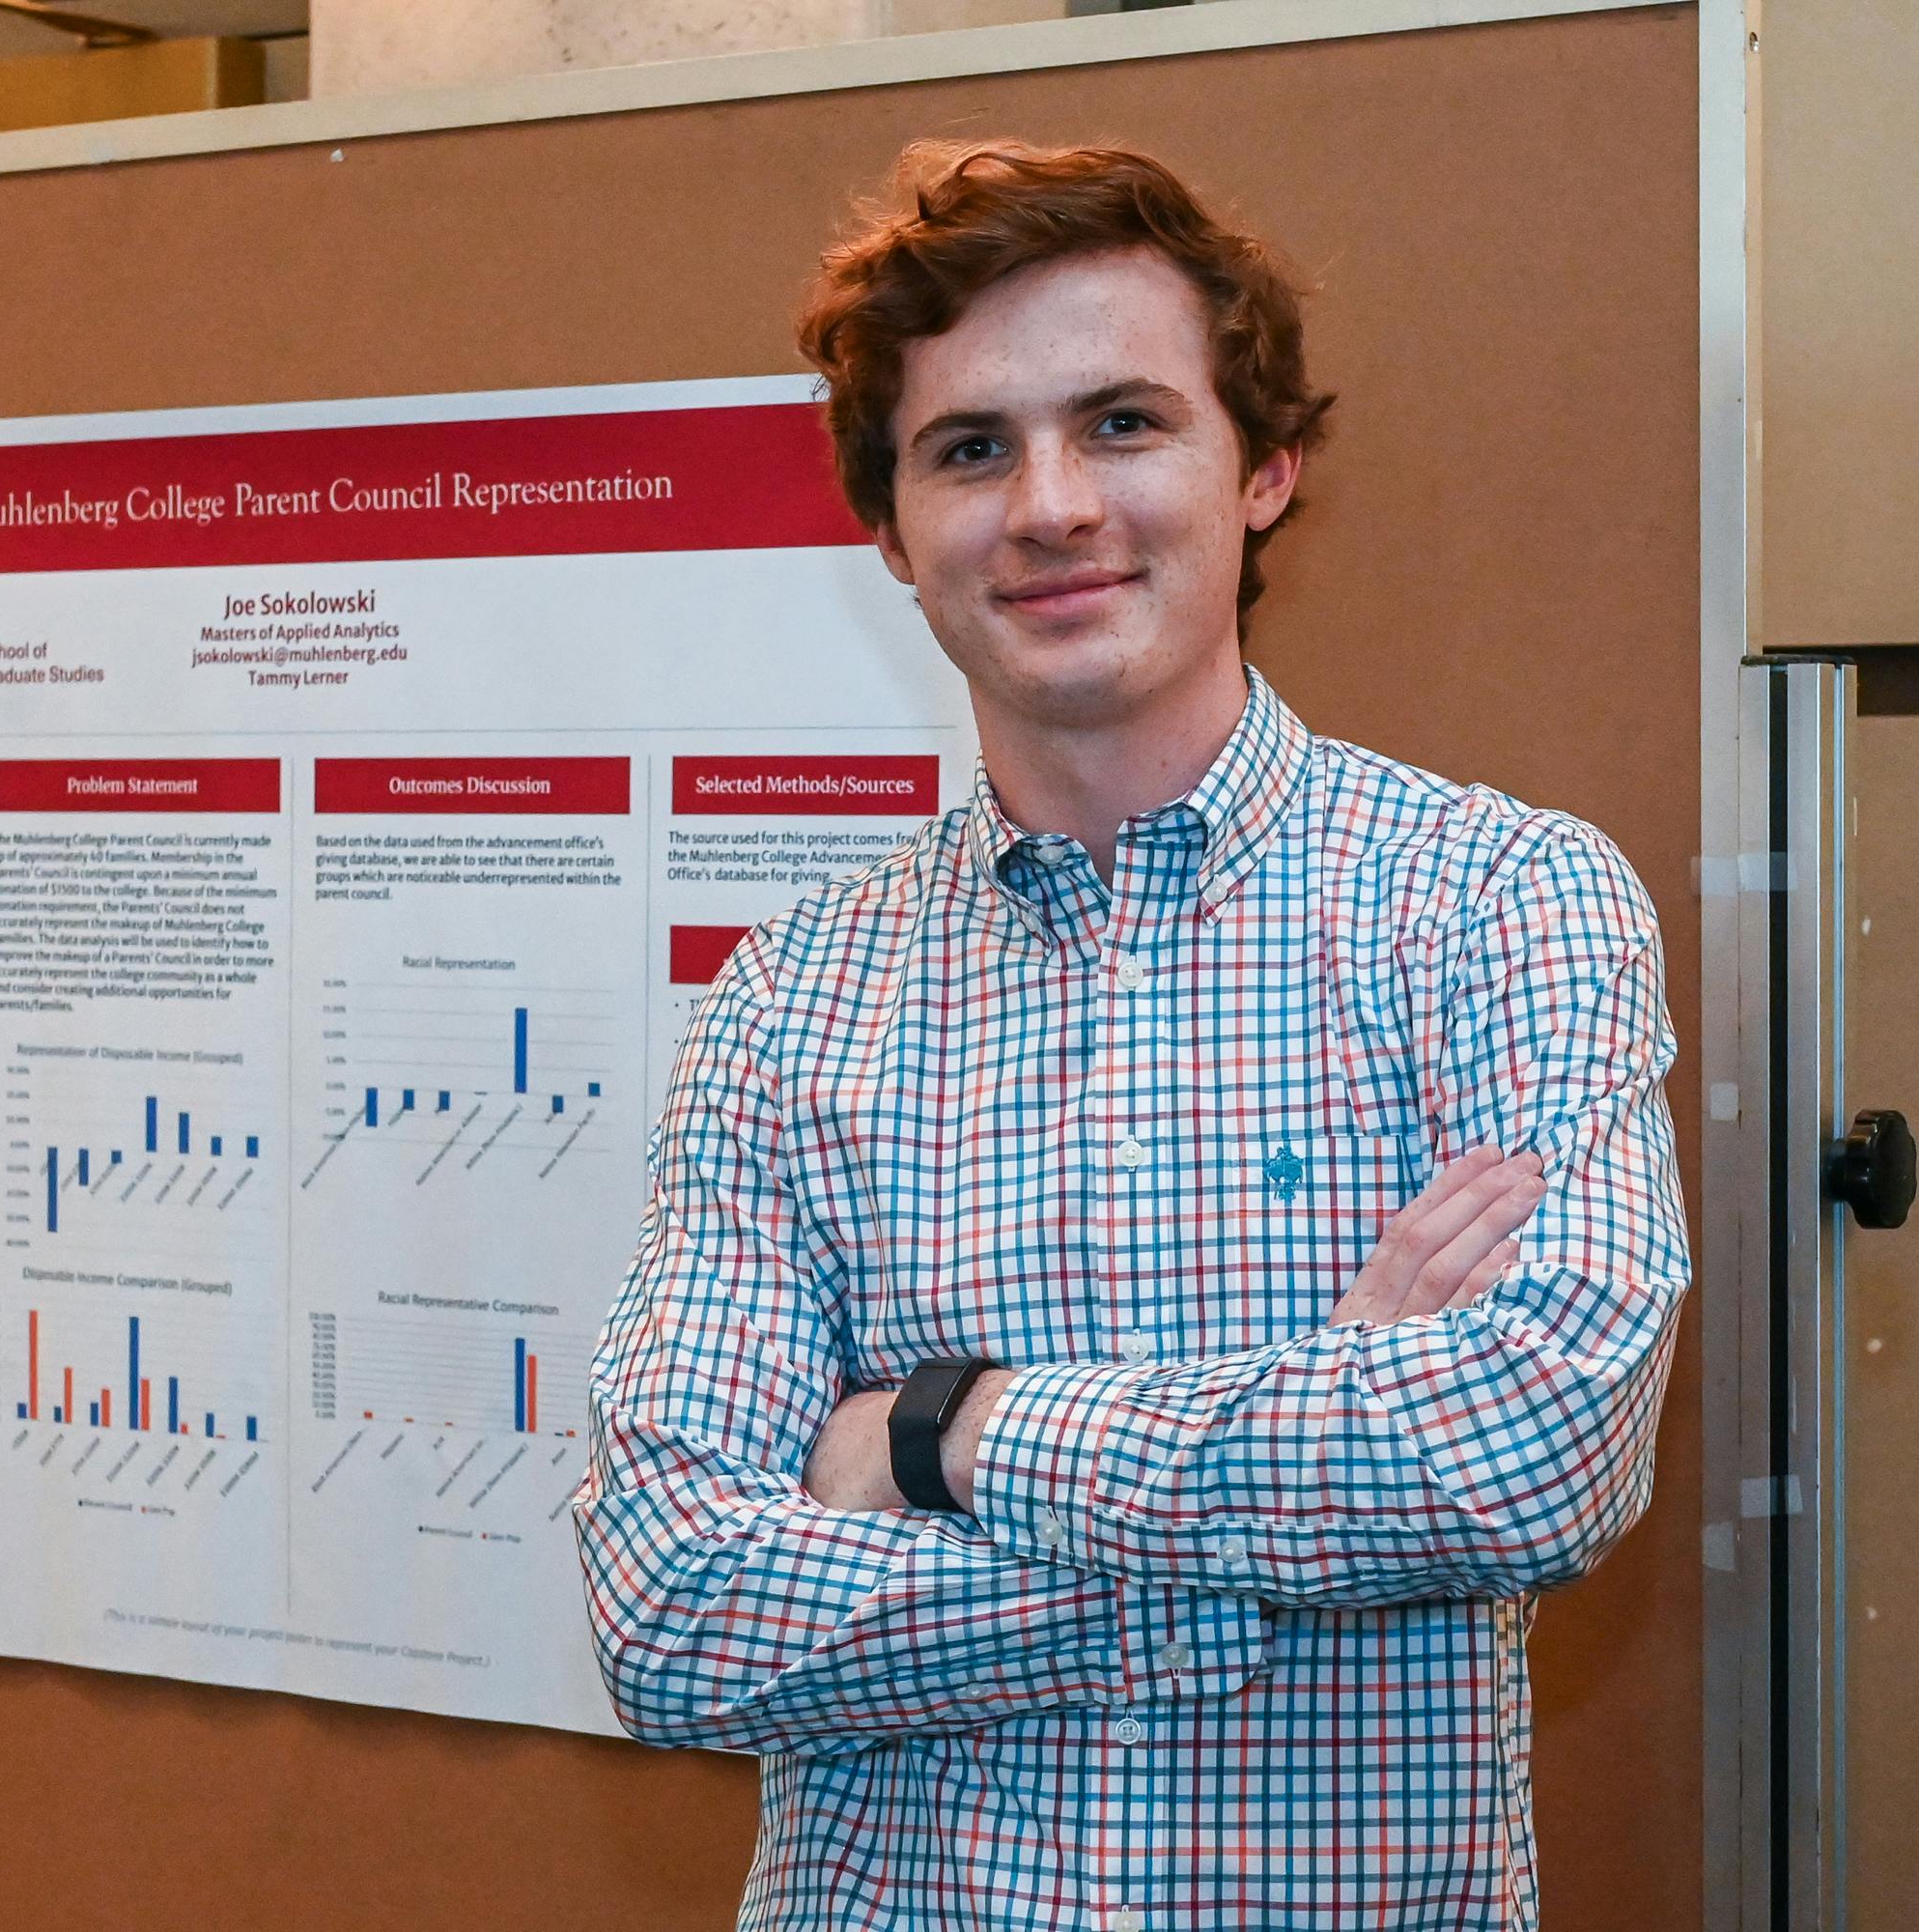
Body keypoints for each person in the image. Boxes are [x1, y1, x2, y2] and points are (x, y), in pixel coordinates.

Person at [576, 138, 1689, 1931]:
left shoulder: (1498, 904)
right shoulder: (793, 999)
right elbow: (672, 1611)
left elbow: (1529, 1448)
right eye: (969, 450)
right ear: (888, 531)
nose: (1051, 507)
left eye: (1121, 423)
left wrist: (944, 1438)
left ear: (1267, 468)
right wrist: (1277, 1538)